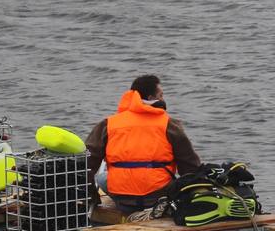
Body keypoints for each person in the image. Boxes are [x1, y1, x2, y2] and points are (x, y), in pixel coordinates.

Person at [85, 74, 201, 215]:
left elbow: (86, 164)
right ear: (151, 98)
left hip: (123, 199)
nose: (163, 99)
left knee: (102, 178)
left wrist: (93, 197)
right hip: (158, 196)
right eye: (161, 95)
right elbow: (190, 165)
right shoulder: (169, 124)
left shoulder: (108, 124)